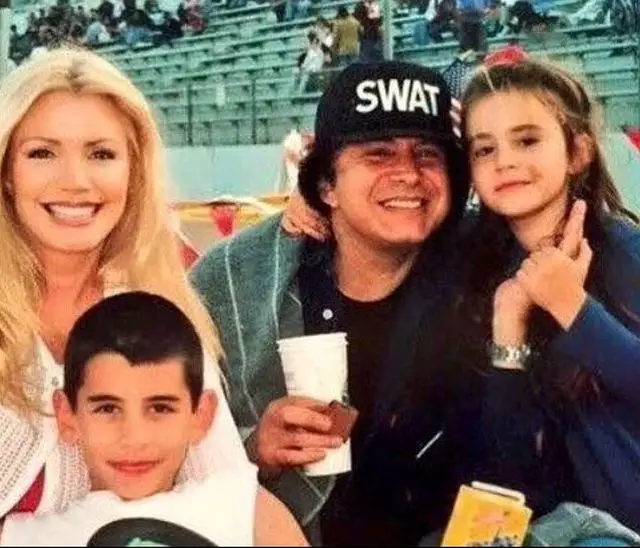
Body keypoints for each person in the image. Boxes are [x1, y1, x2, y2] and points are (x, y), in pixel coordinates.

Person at [190, 61, 471, 545]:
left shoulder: (488, 269)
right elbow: (157, 447)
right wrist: (254, 450)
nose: (408, 173)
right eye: (378, 154)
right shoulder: (234, 279)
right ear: (326, 185)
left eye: (428, 155)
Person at [0, 47, 248, 520]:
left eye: (101, 154)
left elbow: (231, 500)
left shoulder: (164, 313)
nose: (75, 181)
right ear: (7, 174)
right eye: (42, 153)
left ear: (134, 174)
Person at [455, 57, 640, 532]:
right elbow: (505, 471)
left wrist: (574, 309)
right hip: (557, 528)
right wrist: (508, 332)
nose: (505, 161)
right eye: (484, 149)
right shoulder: (485, 265)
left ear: (577, 152)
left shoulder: (626, 252)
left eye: (527, 140)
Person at [0, 292, 307, 546]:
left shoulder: (244, 509)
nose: (134, 438)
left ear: (201, 415)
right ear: (67, 416)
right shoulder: (23, 538)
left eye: (159, 408)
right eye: (107, 408)